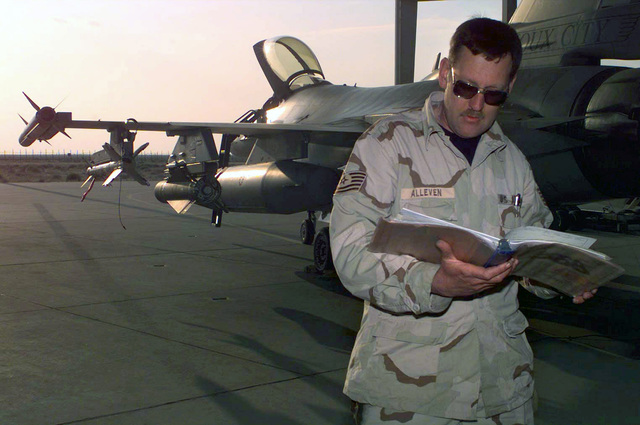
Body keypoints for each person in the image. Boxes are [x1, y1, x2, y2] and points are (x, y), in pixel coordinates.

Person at [330, 17, 596, 425]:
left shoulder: (512, 161)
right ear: (443, 74)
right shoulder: (386, 145)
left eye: (493, 95)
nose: (476, 104)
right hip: (411, 394)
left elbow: (532, 250)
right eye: (466, 87)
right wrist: (432, 281)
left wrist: (562, 276)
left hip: (503, 389)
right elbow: (350, 251)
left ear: (510, 88)